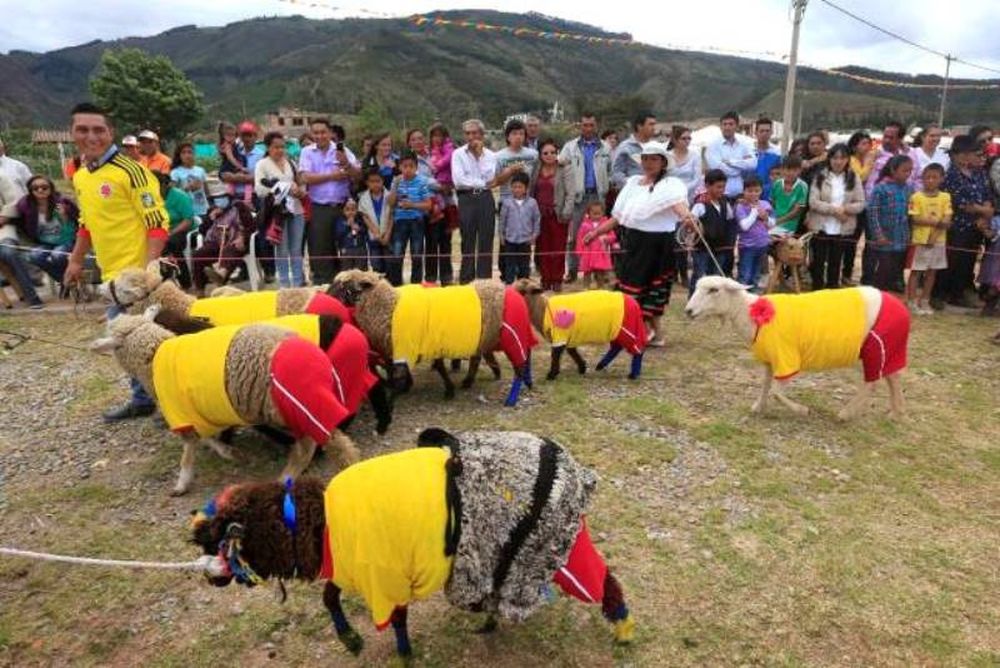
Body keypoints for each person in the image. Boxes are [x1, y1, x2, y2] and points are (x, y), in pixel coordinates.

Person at [64, 102, 168, 421]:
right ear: (73, 133)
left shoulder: (133, 171)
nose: (91, 136)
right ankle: (143, 398)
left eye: (99, 129)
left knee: (154, 342)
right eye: (83, 129)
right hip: (110, 278)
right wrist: (75, 261)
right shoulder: (81, 177)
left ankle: (169, 402)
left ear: (111, 133)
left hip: (137, 279)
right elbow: (86, 223)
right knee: (127, 343)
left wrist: (147, 273)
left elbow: (157, 223)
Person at [584, 142, 690, 346]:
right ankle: (648, 333)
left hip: (659, 245)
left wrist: (688, 218)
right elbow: (617, 217)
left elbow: (679, 206)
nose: (649, 163)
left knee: (650, 292)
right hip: (635, 243)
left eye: (654, 159)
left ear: (662, 163)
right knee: (632, 290)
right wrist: (596, 232)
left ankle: (650, 333)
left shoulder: (670, 185)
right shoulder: (633, 184)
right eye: (646, 159)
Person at [934, 134, 994, 308]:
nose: (979, 157)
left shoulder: (980, 173)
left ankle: (958, 293)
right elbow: (957, 201)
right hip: (958, 225)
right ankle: (939, 293)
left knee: (967, 261)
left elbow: (987, 193)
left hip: (977, 225)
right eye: (976, 154)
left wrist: (986, 212)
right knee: (951, 259)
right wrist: (983, 210)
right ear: (963, 154)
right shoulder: (951, 174)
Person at [299, 118, 361, 284]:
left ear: (330, 133)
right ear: (312, 134)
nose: (320, 136)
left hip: (343, 208)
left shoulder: (343, 151)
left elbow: (358, 177)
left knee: (347, 249)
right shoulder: (307, 152)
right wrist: (332, 176)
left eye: (323, 132)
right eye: (316, 133)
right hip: (319, 208)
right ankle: (324, 285)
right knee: (321, 250)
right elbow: (305, 177)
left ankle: (347, 285)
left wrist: (347, 164)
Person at [0, 175, 79, 300]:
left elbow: (72, 228)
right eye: (35, 188)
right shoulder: (26, 206)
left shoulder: (62, 203)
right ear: (30, 191)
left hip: (65, 239)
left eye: (44, 187)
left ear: (51, 189)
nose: (40, 190)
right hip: (45, 242)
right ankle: (66, 281)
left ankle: (67, 283)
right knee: (33, 256)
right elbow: (18, 220)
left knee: (57, 255)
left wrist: (64, 215)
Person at [804, 143, 866, 290]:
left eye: (842, 158)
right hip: (820, 227)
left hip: (842, 228)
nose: (838, 161)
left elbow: (861, 203)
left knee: (835, 264)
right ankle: (817, 292)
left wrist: (845, 209)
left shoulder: (853, 177)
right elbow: (813, 202)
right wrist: (834, 210)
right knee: (817, 264)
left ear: (847, 159)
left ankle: (832, 294)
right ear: (829, 159)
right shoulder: (820, 176)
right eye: (835, 158)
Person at [559, 113, 612, 282]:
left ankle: (600, 271)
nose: (588, 128)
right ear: (579, 126)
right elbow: (563, 170)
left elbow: (610, 171)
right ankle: (573, 271)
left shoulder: (605, 147)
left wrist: (605, 186)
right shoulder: (570, 147)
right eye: (585, 125)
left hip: (597, 196)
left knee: (600, 233)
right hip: (578, 197)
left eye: (591, 125)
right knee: (574, 236)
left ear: (596, 126)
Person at [452, 118, 506, 282]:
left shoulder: (490, 155)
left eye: (474, 133)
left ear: (482, 134)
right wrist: (482, 183)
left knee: (486, 239)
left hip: (485, 198)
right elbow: (459, 181)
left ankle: (484, 280)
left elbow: (490, 178)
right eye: (467, 133)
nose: (471, 136)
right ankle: (466, 279)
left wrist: (478, 156)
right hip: (466, 198)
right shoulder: (458, 154)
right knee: (467, 239)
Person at [255, 131, 306, 288]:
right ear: (268, 147)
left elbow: (300, 181)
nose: (280, 150)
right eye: (276, 147)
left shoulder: (290, 162)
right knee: (282, 249)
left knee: (296, 248)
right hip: (277, 213)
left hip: (296, 209)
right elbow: (260, 189)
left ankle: (298, 282)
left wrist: (300, 190)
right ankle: (284, 284)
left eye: (282, 147)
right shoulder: (262, 164)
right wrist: (283, 189)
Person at [906, 163, 952, 315]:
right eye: (927, 177)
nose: (931, 180)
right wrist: (938, 223)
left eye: (935, 177)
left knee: (932, 272)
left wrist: (935, 234)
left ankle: (925, 300)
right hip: (920, 240)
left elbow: (947, 217)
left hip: (939, 241)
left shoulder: (945, 197)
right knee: (917, 271)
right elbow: (916, 218)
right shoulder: (916, 197)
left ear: (941, 179)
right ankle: (911, 300)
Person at [867, 155, 914, 293]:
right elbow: (872, 214)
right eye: (905, 170)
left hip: (901, 237)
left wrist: (909, 235)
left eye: (910, 171)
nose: (908, 174)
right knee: (883, 270)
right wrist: (878, 235)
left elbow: (910, 214)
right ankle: (877, 297)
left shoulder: (908, 189)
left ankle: (888, 298)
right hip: (885, 238)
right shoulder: (880, 189)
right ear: (893, 170)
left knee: (895, 270)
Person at [534, 138, 576, 291]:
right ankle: (545, 278)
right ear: (540, 155)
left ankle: (557, 279)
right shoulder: (536, 168)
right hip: (540, 214)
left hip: (558, 214)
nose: (549, 155)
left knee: (558, 248)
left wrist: (567, 212)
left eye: (553, 152)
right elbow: (532, 189)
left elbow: (571, 193)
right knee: (542, 248)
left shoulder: (565, 168)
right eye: (545, 153)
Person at [191, 197, 256, 293]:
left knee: (230, 249)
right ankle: (200, 290)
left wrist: (243, 237)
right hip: (216, 242)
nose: (220, 201)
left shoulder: (239, 207)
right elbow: (202, 230)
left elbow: (251, 226)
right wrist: (210, 218)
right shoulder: (213, 210)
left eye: (222, 197)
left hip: (236, 241)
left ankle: (221, 274)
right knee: (199, 254)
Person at [387, 150, 432, 285]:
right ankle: (396, 285)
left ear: (416, 167)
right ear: (400, 167)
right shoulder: (396, 181)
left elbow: (428, 204)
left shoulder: (421, 182)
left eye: (411, 166)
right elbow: (390, 203)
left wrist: (412, 205)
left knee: (417, 255)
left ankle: (416, 285)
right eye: (404, 166)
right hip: (400, 222)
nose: (407, 169)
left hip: (416, 222)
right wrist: (395, 185)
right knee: (397, 254)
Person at [690, 169, 736, 292]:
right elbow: (691, 221)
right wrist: (693, 224)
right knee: (700, 276)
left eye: (723, 187)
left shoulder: (725, 202)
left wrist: (729, 243)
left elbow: (730, 220)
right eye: (718, 187)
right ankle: (692, 300)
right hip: (702, 248)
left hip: (720, 246)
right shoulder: (700, 204)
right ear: (707, 186)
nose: (721, 190)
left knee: (716, 278)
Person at [843, 131, 876, 285]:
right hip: (852, 203)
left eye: (869, 143)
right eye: (863, 143)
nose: (867, 147)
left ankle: (855, 274)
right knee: (849, 240)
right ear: (854, 146)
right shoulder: (851, 160)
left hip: (868, 204)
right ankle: (845, 273)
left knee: (861, 241)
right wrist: (869, 162)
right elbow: (860, 177)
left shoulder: (871, 159)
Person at [498, 172, 540, 283]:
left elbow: (536, 220)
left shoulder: (532, 203)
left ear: (526, 188)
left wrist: (534, 235)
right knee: (509, 264)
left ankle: (523, 286)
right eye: (514, 187)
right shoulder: (507, 203)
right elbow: (502, 220)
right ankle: (509, 285)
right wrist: (501, 236)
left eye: (520, 187)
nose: (517, 189)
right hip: (510, 240)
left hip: (525, 240)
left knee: (524, 265)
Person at [705, 111, 756, 203]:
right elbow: (719, 169)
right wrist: (741, 165)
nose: (727, 127)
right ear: (720, 126)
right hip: (720, 195)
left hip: (741, 193)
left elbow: (753, 164)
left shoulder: (744, 144)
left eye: (731, 124)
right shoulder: (712, 146)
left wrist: (731, 162)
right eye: (724, 124)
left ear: (737, 126)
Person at [427, 123, 456, 284]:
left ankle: (446, 276)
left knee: (446, 239)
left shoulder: (449, 149)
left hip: (447, 197)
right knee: (431, 241)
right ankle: (430, 277)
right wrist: (439, 186)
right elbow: (424, 179)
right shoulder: (428, 153)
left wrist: (436, 166)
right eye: (434, 136)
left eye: (440, 135)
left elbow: (444, 162)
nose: (437, 139)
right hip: (431, 200)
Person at [734, 176, 773, 292]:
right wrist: (755, 212)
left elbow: (772, 223)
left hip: (762, 245)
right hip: (747, 246)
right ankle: (741, 296)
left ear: (761, 191)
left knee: (756, 274)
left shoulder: (765, 204)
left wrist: (766, 217)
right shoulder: (741, 207)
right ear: (744, 191)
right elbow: (744, 226)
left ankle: (753, 297)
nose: (753, 194)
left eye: (756, 191)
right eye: (749, 191)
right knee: (745, 274)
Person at [157, 172, 195, 288]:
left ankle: (185, 281)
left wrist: (170, 233)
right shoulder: (150, 197)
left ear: (165, 185)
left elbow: (188, 220)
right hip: (161, 229)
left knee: (171, 243)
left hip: (181, 229)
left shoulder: (180, 196)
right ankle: (161, 280)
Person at [865, 121, 917, 195]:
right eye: (885, 136)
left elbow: (913, 179)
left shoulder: (910, 155)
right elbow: (868, 184)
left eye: (891, 138)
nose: (887, 140)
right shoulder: (874, 154)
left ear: (900, 139)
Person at [575, 199, 616, 289]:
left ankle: (600, 288)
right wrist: (579, 251)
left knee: (600, 273)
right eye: (594, 213)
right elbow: (579, 239)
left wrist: (606, 239)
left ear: (603, 213)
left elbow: (613, 237)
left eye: (599, 213)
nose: (597, 216)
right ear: (589, 213)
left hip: (600, 254)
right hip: (587, 254)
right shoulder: (584, 225)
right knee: (587, 273)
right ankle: (586, 288)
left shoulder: (606, 224)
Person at [220, 121, 264, 205]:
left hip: (254, 197)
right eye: (244, 136)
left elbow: (262, 178)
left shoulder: (261, 156)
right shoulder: (236, 153)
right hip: (234, 196)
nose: (247, 139)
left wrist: (236, 178)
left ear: (255, 137)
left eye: (250, 135)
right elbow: (223, 174)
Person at [357, 169, 392, 274]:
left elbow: (392, 216)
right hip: (373, 236)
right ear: (367, 183)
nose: (375, 184)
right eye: (372, 181)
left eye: (378, 181)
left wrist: (386, 235)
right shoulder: (363, 198)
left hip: (388, 235)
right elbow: (365, 217)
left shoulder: (389, 196)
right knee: (376, 263)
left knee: (389, 262)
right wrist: (376, 233)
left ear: (383, 182)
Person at [612, 112, 656, 189]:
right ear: (639, 126)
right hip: (634, 194)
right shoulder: (625, 147)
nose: (654, 128)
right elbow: (616, 173)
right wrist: (633, 183)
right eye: (650, 124)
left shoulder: (656, 146)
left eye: (654, 124)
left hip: (655, 193)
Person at [771, 156, 808, 235]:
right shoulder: (777, 184)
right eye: (787, 169)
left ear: (800, 170)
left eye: (795, 170)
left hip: (789, 224)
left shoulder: (802, 186)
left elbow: (796, 212)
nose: (790, 173)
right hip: (773, 220)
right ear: (782, 169)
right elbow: (773, 203)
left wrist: (778, 221)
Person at [170, 142, 209, 217]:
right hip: (186, 212)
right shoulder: (175, 172)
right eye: (183, 153)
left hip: (203, 210)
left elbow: (207, 191)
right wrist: (187, 188)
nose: (187, 155)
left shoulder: (200, 170)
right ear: (179, 156)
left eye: (189, 152)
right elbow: (172, 194)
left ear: (194, 154)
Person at [667, 125, 702, 204]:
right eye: (683, 138)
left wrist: (683, 189)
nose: (687, 141)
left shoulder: (695, 156)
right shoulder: (667, 156)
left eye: (689, 138)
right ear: (675, 140)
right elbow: (665, 178)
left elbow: (697, 179)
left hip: (690, 197)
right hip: (671, 196)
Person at [749, 118, 781, 202]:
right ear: (755, 133)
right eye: (761, 131)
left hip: (769, 197)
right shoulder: (747, 150)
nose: (764, 134)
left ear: (771, 133)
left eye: (767, 131)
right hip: (750, 195)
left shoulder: (777, 152)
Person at [338, 198, 369, 271]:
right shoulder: (340, 221)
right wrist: (347, 226)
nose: (350, 212)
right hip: (346, 250)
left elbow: (366, 231)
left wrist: (359, 229)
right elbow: (338, 234)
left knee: (360, 271)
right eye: (347, 209)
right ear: (343, 210)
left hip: (360, 249)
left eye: (353, 209)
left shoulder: (360, 220)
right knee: (347, 271)